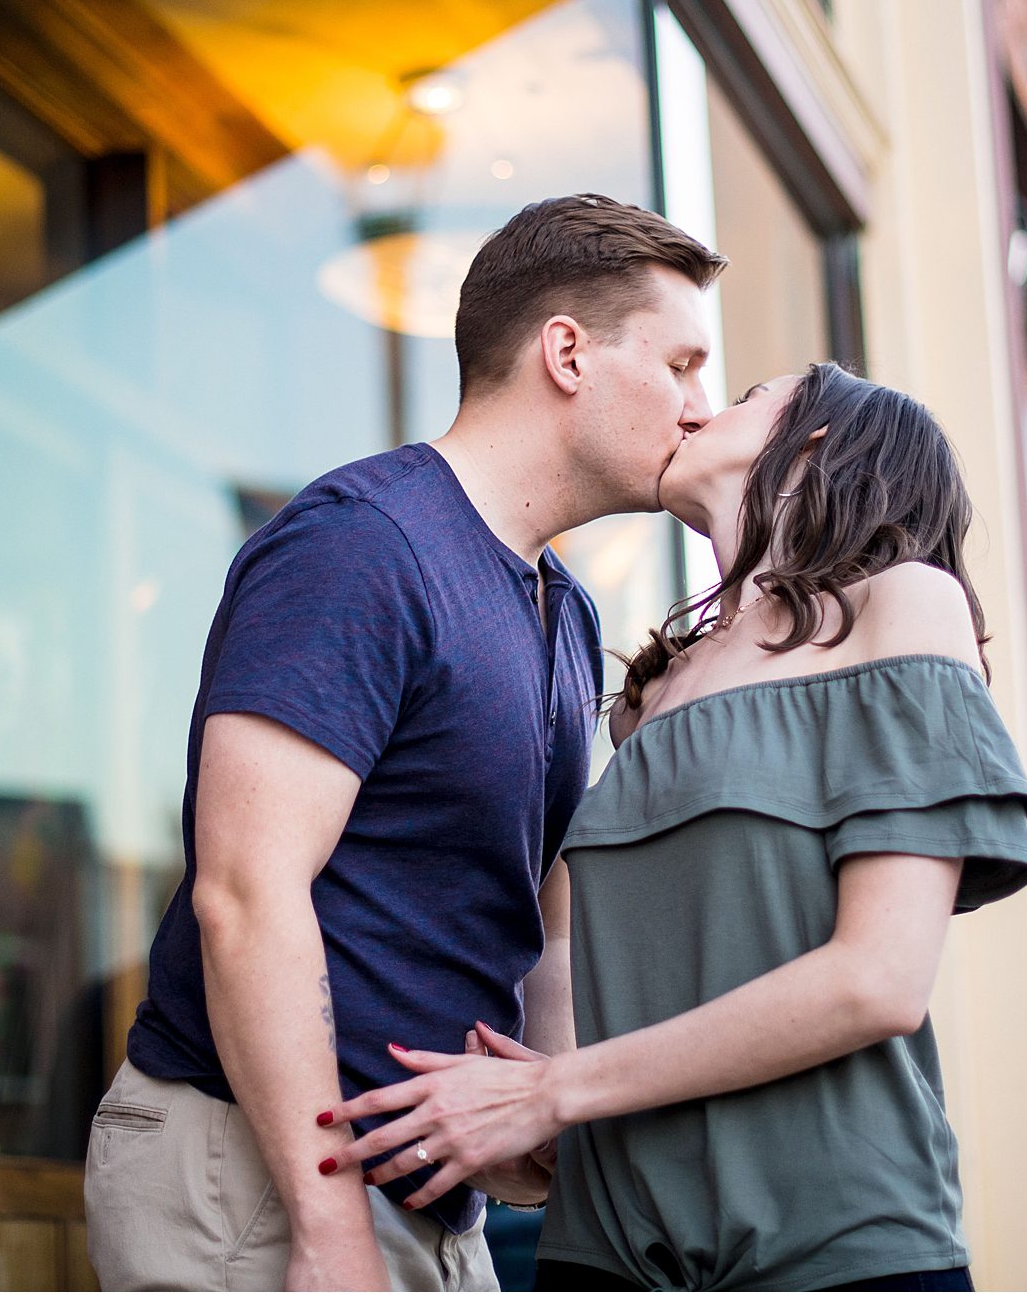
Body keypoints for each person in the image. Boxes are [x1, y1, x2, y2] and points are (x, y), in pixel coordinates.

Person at [82, 194, 728, 1291]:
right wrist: (327, 1224)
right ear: (566, 352)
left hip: (431, 1211)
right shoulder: (361, 547)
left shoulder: (561, 611)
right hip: (260, 1186)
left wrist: (544, 1111)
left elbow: (545, 927)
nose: (701, 408)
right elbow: (246, 891)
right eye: (679, 365)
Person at [327, 363, 1027, 1291]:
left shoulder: (903, 605)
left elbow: (879, 981)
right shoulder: (645, 700)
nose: (702, 406)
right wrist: (537, 1122)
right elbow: (582, 956)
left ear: (818, 440)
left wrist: (552, 1093)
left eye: (746, 398)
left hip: (835, 1241)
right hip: (610, 1250)